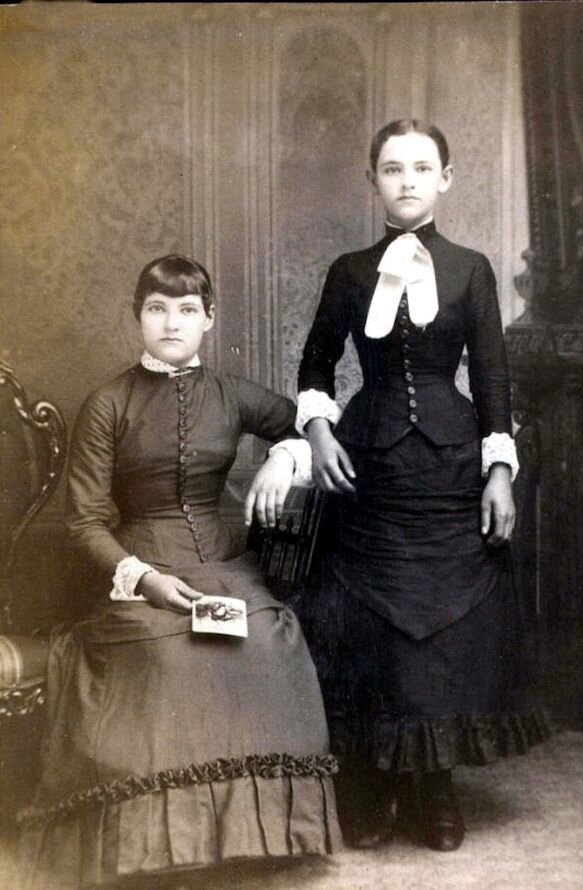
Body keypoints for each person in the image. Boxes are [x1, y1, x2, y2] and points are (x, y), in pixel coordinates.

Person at [18, 255, 341, 890]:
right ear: (138, 317)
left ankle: (251, 838)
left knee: (267, 639)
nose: (172, 323)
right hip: (141, 566)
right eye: (157, 309)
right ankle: (167, 847)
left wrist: (285, 456)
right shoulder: (108, 403)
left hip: (225, 563)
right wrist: (145, 580)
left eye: (187, 309)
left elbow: (304, 422)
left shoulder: (230, 391)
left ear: (209, 319)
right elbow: (85, 520)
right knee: (167, 654)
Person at [293, 120, 551, 852]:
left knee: (445, 630)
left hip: (451, 469)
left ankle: (433, 783)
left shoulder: (471, 269)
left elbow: (493, 377)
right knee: (372, 625)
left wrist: (498, 471)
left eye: (420, 167)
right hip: (369, 468)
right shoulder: (349, 272)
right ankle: (374, 779)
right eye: (391, 168)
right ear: (371, 180)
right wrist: (318, 434)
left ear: (446, 178)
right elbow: (316, 365)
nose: (406, 180)